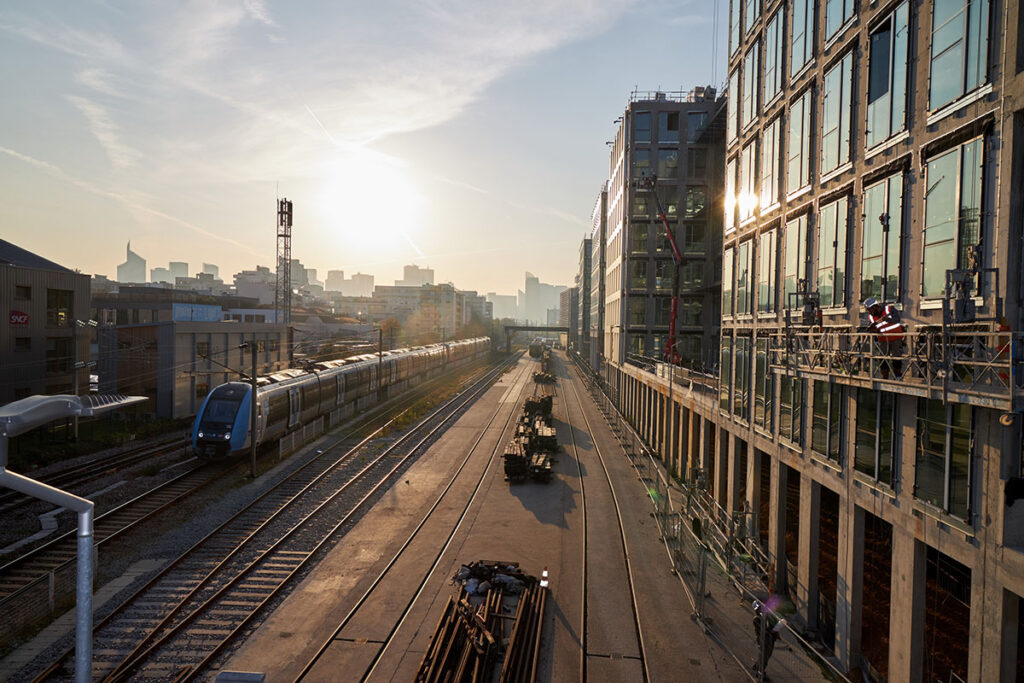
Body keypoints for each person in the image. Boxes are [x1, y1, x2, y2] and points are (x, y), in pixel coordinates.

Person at [863, 298, 905, 377]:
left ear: (875, 306)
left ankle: (898, 375)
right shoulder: (871, 317)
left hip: (895, 337)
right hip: (883, 340)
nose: (869, 311)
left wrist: (888, 319)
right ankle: (885, 375)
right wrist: (873, 330)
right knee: (882, 358)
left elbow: (897, 319)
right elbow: (873, 328)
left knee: (896, 357)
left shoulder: (889, 309)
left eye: (870, 309)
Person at [752, 600, 786, 678]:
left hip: (770, 639)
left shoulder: (766, 616)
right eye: (758, 608)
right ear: (756, 610)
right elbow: (763, 630)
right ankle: (760, 673)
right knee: (764, 656)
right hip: (763, 640)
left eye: (761, 607)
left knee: (767, 655)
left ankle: (757, 666)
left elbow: (771, 624)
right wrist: (773, 631)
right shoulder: (757, 619)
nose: (760, 609)